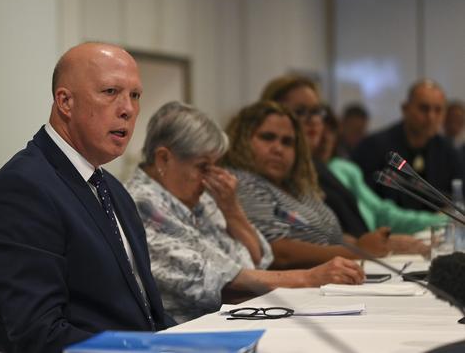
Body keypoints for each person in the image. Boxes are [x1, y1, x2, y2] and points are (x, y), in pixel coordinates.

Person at [0, 42, 171, 353]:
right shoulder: (23, 189)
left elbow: (145, 316)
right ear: (65, 101)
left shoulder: (113, 190)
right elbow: (37, 333)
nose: (128, 109)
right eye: (110, 92)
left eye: (135, 95)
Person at [126, 101, 364, 323]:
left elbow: (257, 261)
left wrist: (232, 210)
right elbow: (216, 279)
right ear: (164, 159)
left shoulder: (200, 197)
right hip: (186, 332)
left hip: (235, 317)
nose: (210, 178)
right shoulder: (139, 203)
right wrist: (309, 278)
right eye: (202, 167)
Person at [221, 100, 391, 269]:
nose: (278, 149)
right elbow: (278, 252)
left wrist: (374, 243)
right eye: (267, 137)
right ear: (241, 140)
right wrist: (358, 252)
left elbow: (330, 236)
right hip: (290, 288)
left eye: (287, 142)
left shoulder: (297, 185)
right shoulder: (241, 182)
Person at [316, 105, 446, 235]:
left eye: (331, 130)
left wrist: (440, 220)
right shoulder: (373, 147)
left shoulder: (343, 168)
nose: (325, 138)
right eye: (316, 130)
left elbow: (381, 212)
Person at [352, 80, 465, 210]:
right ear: (405, 109)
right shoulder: (373, 147)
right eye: (424, 108)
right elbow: (365, 204)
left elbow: (458, 199)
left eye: (438, 110)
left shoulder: (449, 152)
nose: (431, 117)